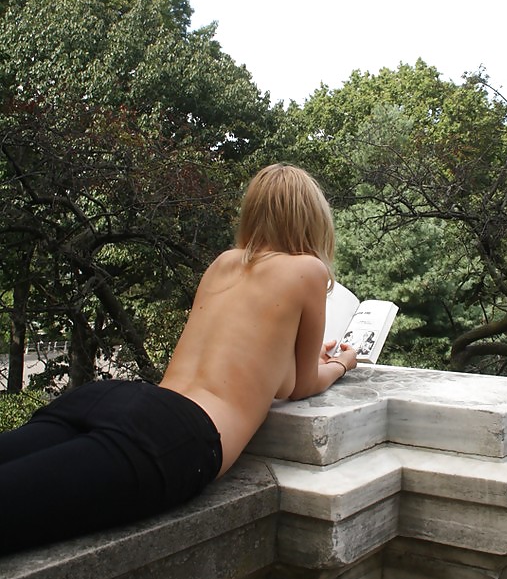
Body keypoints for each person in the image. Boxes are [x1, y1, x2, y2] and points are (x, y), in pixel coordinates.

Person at [0, 164, 357, 556]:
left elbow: (274, 377)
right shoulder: (309, 269)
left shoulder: (224, 263)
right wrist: (342, 363)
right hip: (174, 433)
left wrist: (308, 355)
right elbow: (302, 386)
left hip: (113, 399)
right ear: (314, 221)